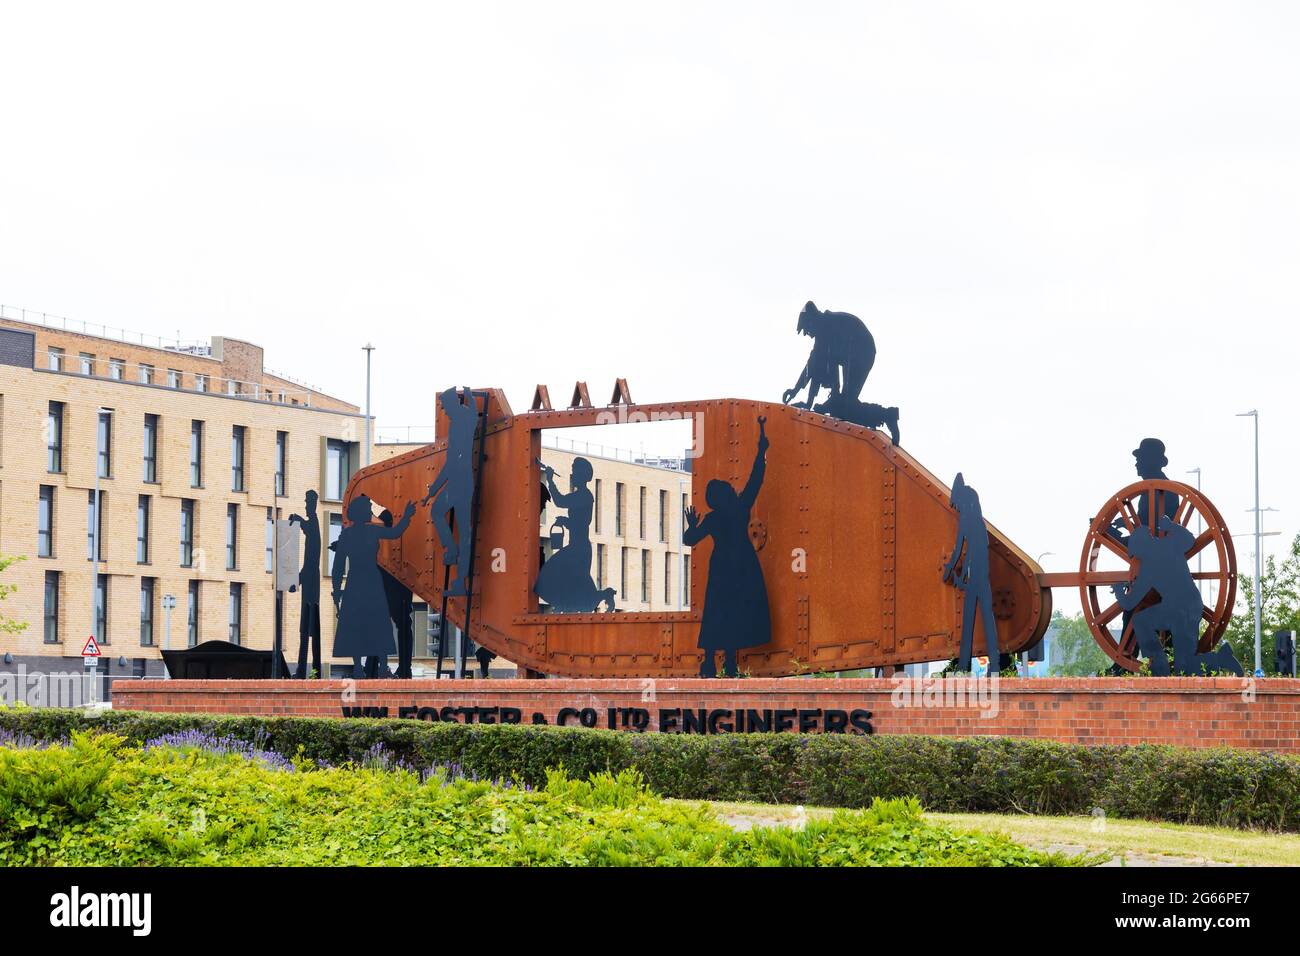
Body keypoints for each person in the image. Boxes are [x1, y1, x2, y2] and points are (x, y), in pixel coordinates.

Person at [683, 417, 771, 677]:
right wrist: (761, 451)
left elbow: (690, 540)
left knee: (716, 611)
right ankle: (730, 663)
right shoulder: (740, 509)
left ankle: (709, 661)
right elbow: (756, 480)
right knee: (735, 611)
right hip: (742, 565)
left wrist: (690, 524)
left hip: (721, 566)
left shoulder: (713, 518)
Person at [1114, 517, 1242, 676]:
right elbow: (1189, 539)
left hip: (1176, 611)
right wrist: (1171, 527)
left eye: (1137, 554)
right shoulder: (1169, 545)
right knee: (1185, 667)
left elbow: (1129, 603)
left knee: (1140, 621)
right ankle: (1221, 659)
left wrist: (1118, 591)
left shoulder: (1147, 568)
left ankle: (1159, 666)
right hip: (1192, 606)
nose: (1137, 558)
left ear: (1142, 547)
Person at [781, 301, 900, 444]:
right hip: (854, 354)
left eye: (807, 329)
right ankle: (882, 415)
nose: (808, 334)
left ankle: (887, 415)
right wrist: (797, 391)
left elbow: (815, 368)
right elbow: (814, 366)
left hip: (861, 352)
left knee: (845, 406)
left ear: (812, 321)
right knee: (841, 406)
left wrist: (811, 402)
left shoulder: (826, 328)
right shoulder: (825, 328)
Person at [331, 495, 416, 679]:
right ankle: (383, 666)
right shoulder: (372, 532)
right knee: (378, 622)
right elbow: (395, 532)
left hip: (355, 581)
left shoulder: (347, 535)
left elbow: (337, 566)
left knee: (356, 623)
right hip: (372, 579)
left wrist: (336, 590)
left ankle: (357, 668)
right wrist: (407, 516)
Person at [533, 457, 616, 612]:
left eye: (575, 473)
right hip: (579, 548)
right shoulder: (583, 495)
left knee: (548, 577)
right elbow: (578, 522)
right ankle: (601, 595)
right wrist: (566, 521)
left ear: (582, 476)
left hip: (578, 549)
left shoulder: (584, 496)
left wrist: (550, 480)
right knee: (577, 587)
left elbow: (560, 501)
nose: (573, 476)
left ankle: (567, 606)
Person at [942, 473, 1000, 672]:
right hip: (981, 577)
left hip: (975, 578)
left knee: (968, 623)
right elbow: (974, 552)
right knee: (988, 618)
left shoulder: (966, 523)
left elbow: (960, 550)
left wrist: (950, 569)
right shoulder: (979, 525)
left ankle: (964, 666)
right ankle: (995, 664)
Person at [423, 387, 478, 597]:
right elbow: (473, 411)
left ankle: (451, 550)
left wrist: (433, 490)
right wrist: (471, 398)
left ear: (453, 404)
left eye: (445, 407)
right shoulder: (467, 417)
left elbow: (450, 462)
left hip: (457, 481)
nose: (444, 412)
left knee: (437, 512)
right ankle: (460, 580)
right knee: (465, 532)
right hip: (464, 480)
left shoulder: (457, 425)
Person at [288, 490, 322, 679]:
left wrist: (297, 581)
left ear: (314, 504)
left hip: (311, 583)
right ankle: (305, 669)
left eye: (309, 503)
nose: (307, 506)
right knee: (306, 629)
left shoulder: (314, 523)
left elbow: (310, 562)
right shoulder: (312, 524)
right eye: (306, 503)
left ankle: (309, 670)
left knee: (310, 629)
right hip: (310, 581)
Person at [378, 508, 416, 679]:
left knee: (387, 628)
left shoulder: (382, 541)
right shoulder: (401, 538)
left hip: (392, 590)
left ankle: (382, 667)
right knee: (401, 627)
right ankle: (401, 667)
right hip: (398, 590)